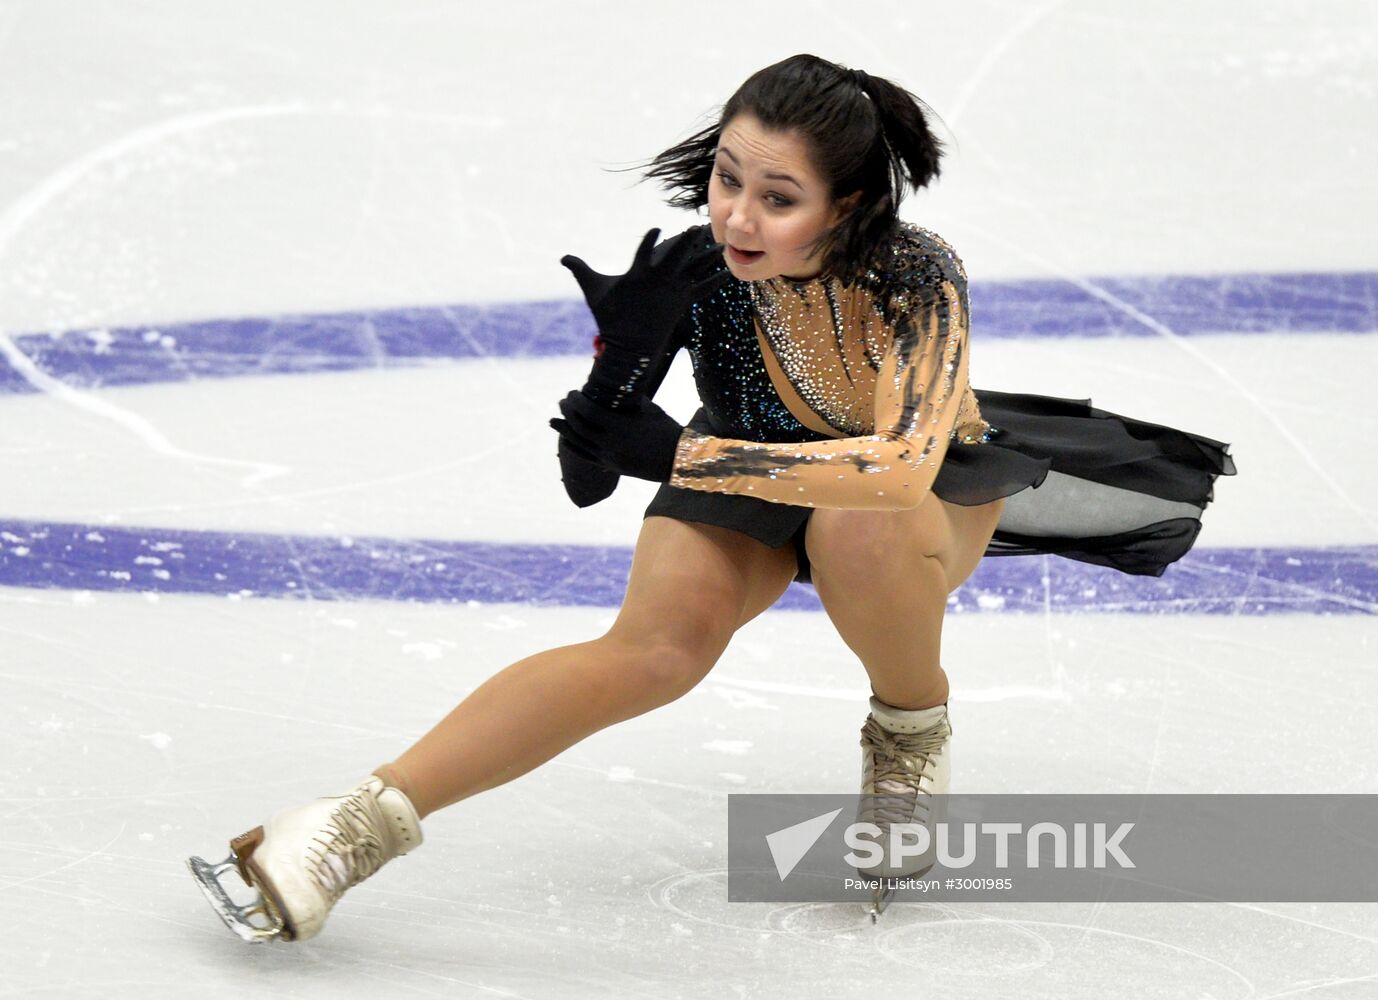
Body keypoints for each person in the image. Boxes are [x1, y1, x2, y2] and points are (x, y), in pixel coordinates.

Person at [187, 54, 1236, 940]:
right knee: (653, 651)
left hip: (902, 490)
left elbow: (898, 465)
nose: (736, 214)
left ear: (850, 205)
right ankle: (347, 828)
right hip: (744, 466)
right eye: (728, 179)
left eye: (777, 198)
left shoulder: (916, 275)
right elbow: (590, 480)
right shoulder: (697, 269)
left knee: (857, 522)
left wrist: (683, 459)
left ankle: (908, 732)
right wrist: (617, 367)